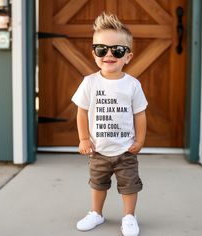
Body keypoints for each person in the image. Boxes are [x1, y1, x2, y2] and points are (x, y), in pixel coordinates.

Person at [72, 12, 148, 236]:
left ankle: (129, 216)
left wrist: (140, 140)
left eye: (117, 50)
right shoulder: (89, 83)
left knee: (129, 185)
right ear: (93, 53)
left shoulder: (133, 85)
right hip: (98, 150)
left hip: (125, 149)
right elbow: (82, 112)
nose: (109, 54)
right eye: (101, 49)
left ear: (128, 56)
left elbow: (140, 115)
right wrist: (84, 138)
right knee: (97, 184)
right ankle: (96, 213)